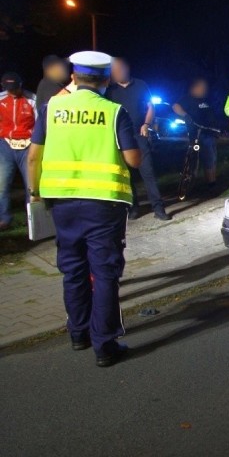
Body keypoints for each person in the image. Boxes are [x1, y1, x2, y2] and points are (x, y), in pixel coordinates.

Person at [27, 51, 141, 367]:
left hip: (61, 202)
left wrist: (35, 194)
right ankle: (105, 345)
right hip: (104, 203)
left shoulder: (52, 108)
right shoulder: (115, 111)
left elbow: (34, 156)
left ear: (74, 78)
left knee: (72, 267)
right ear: (105, 80)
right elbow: (133, 160)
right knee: (104, 272)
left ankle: (78, 334)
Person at [106, 58, 171, 220]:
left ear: (127, 69)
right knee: (127, 175)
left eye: (120, 68)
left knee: (148, 172)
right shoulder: (109, 90)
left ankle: (158, 208)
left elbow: (150, 107)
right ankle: (133, 207)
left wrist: (146, 124)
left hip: (139, 135)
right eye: (114, 69)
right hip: (120, 138)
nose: (118, 72)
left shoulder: (140, 84)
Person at [0, 72, 36, 230]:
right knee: (2, 184)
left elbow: (39, 122)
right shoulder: (1, 99)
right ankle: (4, 219)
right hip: (6, 145)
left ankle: (32, 221)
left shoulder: (32, 99)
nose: (12, 91)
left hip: (27, 145)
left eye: (14, 88)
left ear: (20, 85)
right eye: (9, 88)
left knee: (31, 185)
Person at [173, 77, 218, 190]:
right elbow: (175, 106)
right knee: (199, 158)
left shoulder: (206, 100)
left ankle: (212, 182)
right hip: (197, 134)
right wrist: (186, 116)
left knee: (212, 158)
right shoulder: (188, 98)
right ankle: (195, 182)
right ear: (195, 87)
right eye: (201, 87)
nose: (203, 89)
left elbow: (212, 115)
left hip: (210, 133)